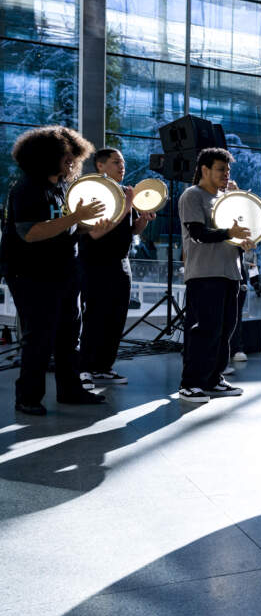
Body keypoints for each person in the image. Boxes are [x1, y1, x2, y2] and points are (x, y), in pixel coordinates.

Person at [1, 126, 112, 415]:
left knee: (68, 336)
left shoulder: (63, 188)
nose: (71, 162)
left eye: (73, 157)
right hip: (32, 275)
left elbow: (68, 227)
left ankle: (70, 389)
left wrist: (90, 224)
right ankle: (28, 397)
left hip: (66, 271)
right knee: (38, 338)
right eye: (66, 157)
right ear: (45, 157)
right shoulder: (26, 189)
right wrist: (77, 216)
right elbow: (31, 233)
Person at [177, 148, 254, 403]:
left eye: (227, 169)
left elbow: (231, 235)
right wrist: (229, 234)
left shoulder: (225, 199)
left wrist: (242, 242)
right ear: (205, 170)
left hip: (230, 273)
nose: (226, 173)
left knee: (225, 329)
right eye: (221, 169)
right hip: (203, 274)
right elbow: (198, 233)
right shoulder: (192, 196)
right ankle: (190, 384)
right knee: (204, 331)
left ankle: (213, 379)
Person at [78, 148, 156, 389]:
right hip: (96, 264)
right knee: (95, 317)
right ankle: (85, 369)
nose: (121, 167)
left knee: (116, 318)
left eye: (122, 163)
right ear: (100, 166)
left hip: (121, 264)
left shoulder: (125, 192)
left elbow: (129, 230)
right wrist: (128, 204)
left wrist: (141, 221)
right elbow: (97, 230)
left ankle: (104, 367)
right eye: (115, 163)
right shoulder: (92, 190)